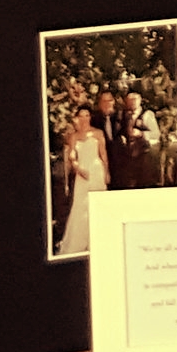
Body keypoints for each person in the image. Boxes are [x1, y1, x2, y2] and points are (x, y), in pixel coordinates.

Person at [57, 99, 109, 256]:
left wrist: (107, 172)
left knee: (97, 205)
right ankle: (77, 242)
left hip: (96, 171)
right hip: (82, 174)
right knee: (80, 207)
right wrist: (78, 168)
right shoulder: (73, 136)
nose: (85, 118)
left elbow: (103, 154)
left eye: (87, 115)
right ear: (77, 118)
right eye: (81, 115)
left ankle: (99, 240)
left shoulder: (98, 133)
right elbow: (72, 156)